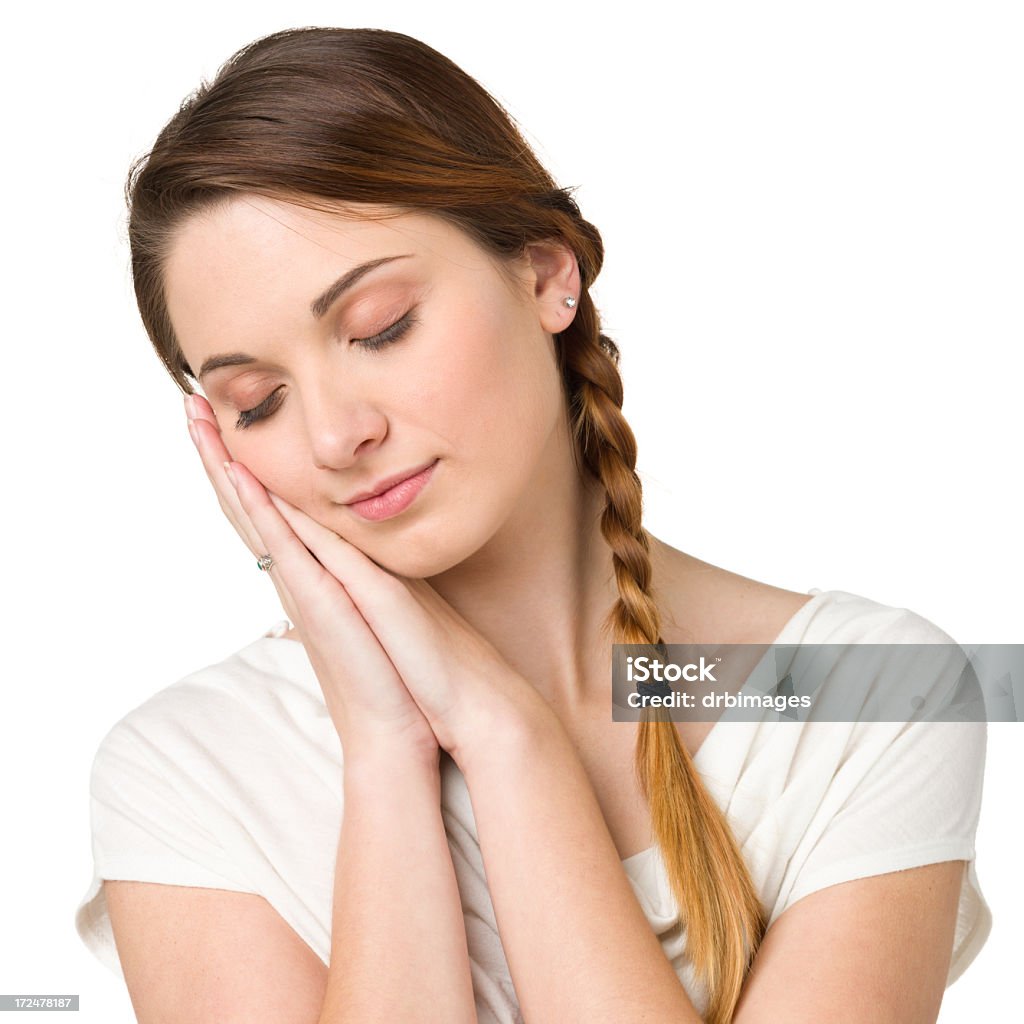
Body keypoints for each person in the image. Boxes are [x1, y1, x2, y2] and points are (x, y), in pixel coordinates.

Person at [73, 26, 990, 1023]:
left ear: (548, 272)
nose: (338, 434)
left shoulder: (874, 691)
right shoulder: (186, 768)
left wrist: (510, 740)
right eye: (257, 401)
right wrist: (386, 751)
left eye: (382, 327)